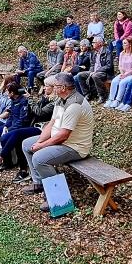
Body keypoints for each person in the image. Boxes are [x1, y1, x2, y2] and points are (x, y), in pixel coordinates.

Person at [20, 73, 95, 211]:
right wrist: (40, 141)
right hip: (60, 140)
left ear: (63, 87)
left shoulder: (75, 105)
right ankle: (39, 183)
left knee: (39, 158)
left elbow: (63, 135)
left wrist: (41, 146)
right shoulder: (60, 100)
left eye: (54, 86)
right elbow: (52, 123)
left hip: (74, 147)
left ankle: (59, 200)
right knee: (27, 144)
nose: (51, 88)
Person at [104, 38, 132, 109]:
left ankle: (118, 100)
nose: (123, 45)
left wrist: (126, 74)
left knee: (122, 82)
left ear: (130, 44)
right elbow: (120, 65)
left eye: (125, 43)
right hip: (123, 73)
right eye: (123, 43)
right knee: (114, 81)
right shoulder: (122, 53)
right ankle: (111, 99)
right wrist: (122, 73)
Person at [76, 36, 114, 101]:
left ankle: (102, 96)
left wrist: (96, 71)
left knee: (95, 75)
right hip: (94, 71)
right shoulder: (93, 52)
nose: (92, 44)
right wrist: (91, 71)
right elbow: (92, 64)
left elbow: (108, 66)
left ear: (99, 43)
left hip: (105, 73)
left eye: (94, 42)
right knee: (80, 75)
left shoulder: (107, 52)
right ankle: (87, 94)